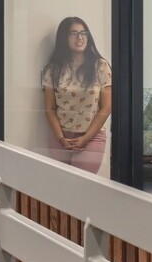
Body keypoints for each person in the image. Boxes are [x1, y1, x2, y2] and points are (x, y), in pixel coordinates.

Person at [41, 17, 112, 172]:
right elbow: (50, 108)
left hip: (91, 136)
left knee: (82, 187)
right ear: (63, 38)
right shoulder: (52, 70)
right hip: (60, 137)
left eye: (83, 33)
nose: (80, 38)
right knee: (61, 187)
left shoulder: (100, 65)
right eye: (73, 34)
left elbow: (106, 107)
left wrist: (85, 138)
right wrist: (61, 139)